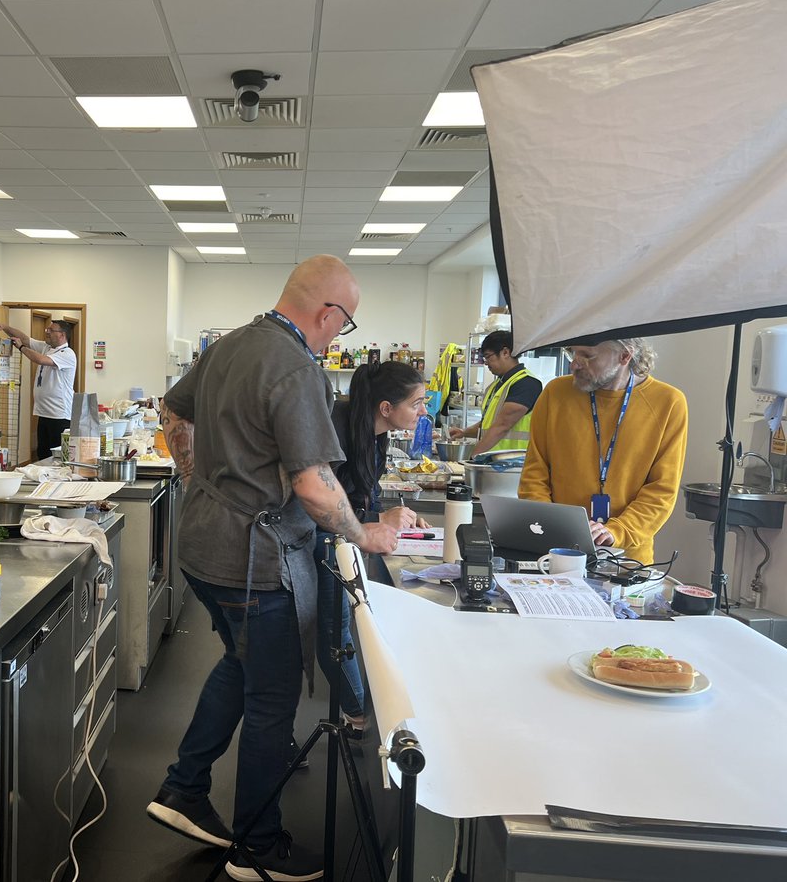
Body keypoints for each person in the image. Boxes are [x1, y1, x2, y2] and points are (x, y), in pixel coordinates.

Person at [146, 255, 399, 882]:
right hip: (254, 562)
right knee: (272, 697)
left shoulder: (231, 343)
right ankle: (257, 847)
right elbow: (315, 487)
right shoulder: (295, 366)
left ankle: (184, 787)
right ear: (328, 313)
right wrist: (364, 532)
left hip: (204, 545)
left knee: (240, 661)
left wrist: (194, 473)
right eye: (346, 323)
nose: (341, 335)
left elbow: (174, 413)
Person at [315, 361, 430, 733]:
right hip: (318, 539)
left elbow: (362, 497)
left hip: (340, 538)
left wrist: (395, 516)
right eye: (417, 403)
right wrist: (368, 526)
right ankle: (360, 717)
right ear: (386, 408)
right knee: (336, 632)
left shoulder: (375, 437)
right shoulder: (337, 428)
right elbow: (321, 501)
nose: (423, 411)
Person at [518, 338, 687, 566]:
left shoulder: (668, 403)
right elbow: (534, 474)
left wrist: (616, 531)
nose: (575, 364)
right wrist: (551, 526)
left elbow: (661, 491)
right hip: (556, 552)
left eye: (587, 356)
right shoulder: (555, 393)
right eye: (572, 353)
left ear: (625, 356)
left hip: (626, 560)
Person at [0, 318, 76, 460]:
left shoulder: (67, 354)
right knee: (43, 454)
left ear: (62, 335)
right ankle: (44, 481)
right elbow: (24, 338)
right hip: (44, 412)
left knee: (59, 457)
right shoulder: (47, 347)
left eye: (51, 330)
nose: (46, 332)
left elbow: (41, 360)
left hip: (59, 414)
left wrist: (21, 348)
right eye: (47, 329)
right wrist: (4, 326)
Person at [448, 330, 543, 455]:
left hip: (514, 464)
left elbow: (502, 426)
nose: (486, 362)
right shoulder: (497, 385)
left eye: (488, 356)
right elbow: (488, 424)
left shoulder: (526, 383)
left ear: (505, 352)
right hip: (493, 462)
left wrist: (472, 458)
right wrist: (464, 432)